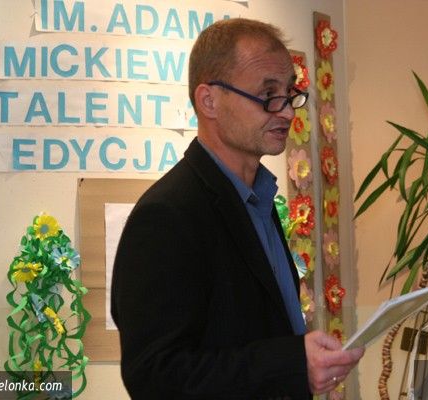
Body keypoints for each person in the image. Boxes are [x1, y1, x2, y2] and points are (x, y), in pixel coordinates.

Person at [111, 18, 364, 399]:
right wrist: (290, 364)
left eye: (289, 93)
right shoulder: (167, 216)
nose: (287, 112)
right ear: (208, 101)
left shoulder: (258, 199)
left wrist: (301, 360)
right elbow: (155, 377)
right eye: (268, 94)